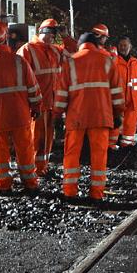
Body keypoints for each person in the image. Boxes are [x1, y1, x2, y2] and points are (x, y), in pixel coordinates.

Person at [54, 32, 124, 202]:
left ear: (80, 45)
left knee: (71, 154)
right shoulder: (107, 61)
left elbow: (62, 92)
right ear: (96, 44)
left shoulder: (70, 62)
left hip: (76, 116)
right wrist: (118, 113)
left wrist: (57, 114)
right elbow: (117, 92)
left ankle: (70, 192)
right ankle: (96, 193)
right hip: (101, 116)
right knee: (99, 155)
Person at [0, 23, 42, 194]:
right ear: (5, 40)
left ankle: (4, 184)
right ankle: (30, 182)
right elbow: (33, 88)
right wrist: (36, 105)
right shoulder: (19, 61)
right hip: (20, 115)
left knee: (1, 152)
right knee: (25, 149)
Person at [18, 18, 64, 175]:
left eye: (55, 34)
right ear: (44, 32)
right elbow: (20, 79)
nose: (54, 37)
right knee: (36, 138)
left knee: (47, 138)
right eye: (52, 33)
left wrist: (65, 36)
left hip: (51, 103)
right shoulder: (28, 50)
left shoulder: (55, 50)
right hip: (36, 104)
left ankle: (42, 167)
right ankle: (34, 168)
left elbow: (74, 54)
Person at [116, 36, 137, 148]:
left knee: (130, 128)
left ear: (130, 47)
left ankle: (126, 148)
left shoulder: (136, 63)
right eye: (121, 45)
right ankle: (112, 148)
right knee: (115, 128)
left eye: (125, 45)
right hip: (118, 101)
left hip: (133, 101)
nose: (123, 47)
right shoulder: (114, 61)